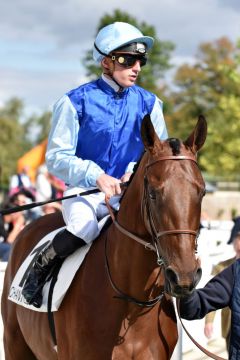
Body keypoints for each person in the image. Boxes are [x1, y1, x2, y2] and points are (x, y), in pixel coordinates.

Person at [22, 21, 168, 308]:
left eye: (141, 60)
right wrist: (97, 176)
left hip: (129, 195)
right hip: (85, 192)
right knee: (85, 228)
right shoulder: (73, 102)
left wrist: (132, 176)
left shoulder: (151, 104)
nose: (136, 67)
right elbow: (57, 157)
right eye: (127, 60)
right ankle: (38, 270)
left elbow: (158, 157)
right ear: (106, 62)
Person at [179, 226, 240, 359]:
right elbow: (195, 306)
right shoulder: (232, 271)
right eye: (238, 238)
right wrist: (186, 285)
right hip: (231, 328)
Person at [204, 222, 240, 353]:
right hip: (231, 327)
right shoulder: (223, 267)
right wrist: (209, 322)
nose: (239, 243)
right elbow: (213, 296)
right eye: (237, 239)